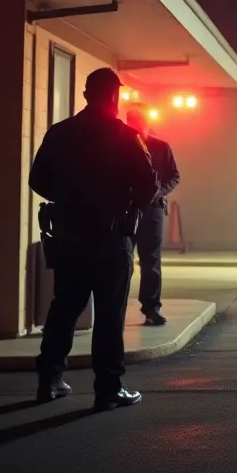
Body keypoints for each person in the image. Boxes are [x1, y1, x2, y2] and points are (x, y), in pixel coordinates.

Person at [31, 68, 158, 411]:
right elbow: (149, 186)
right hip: (111, 237)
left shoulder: (60, 133)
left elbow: (37, 179)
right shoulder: (125, 136)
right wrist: (125, 203)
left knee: (65, 307)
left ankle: (50, 380)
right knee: (108, 313)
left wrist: (71, 197)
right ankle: (108, 388)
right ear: (114, 96)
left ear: (87, 94)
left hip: (71, 234)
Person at [125, 108, 181, 326]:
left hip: (152, 208)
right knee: (125, 259)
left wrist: (160, 192)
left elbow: (174, 175)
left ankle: (151, 307)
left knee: (150, 260)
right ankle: (122, 305)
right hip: (129, 208)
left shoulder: (160, 147)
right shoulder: (122, 146)